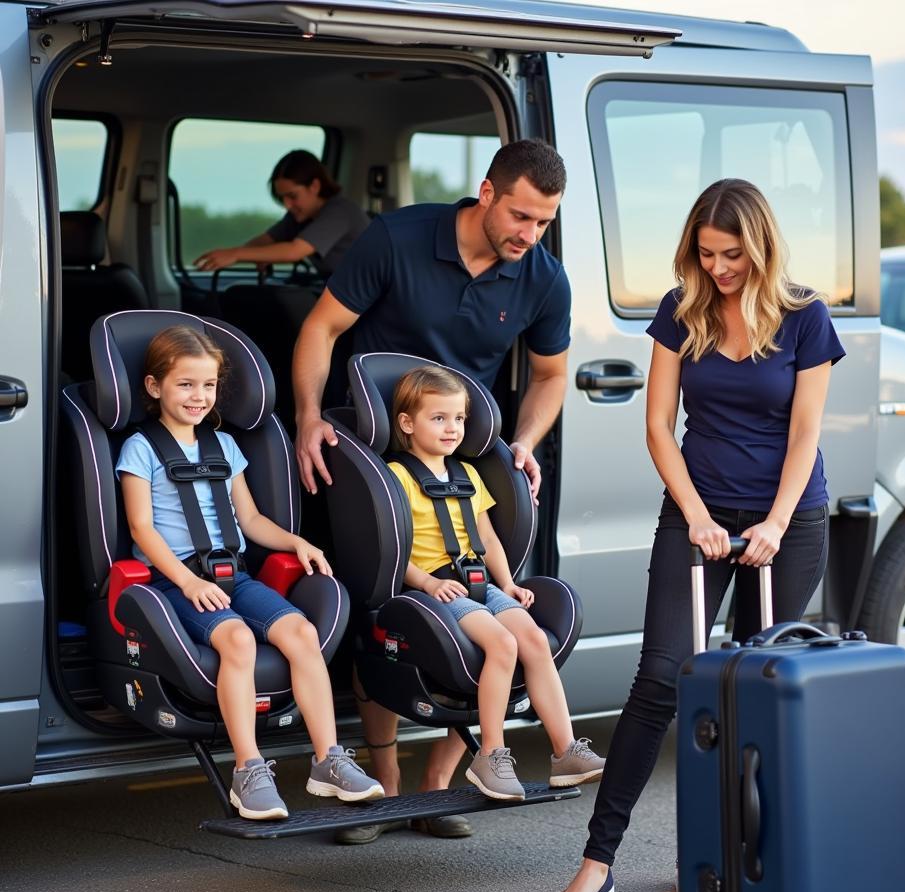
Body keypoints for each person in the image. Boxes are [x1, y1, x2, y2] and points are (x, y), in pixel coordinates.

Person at [543, 178, 845, 892]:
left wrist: (773, 524)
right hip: (697, 513)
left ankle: (720, 854)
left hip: (790, 521)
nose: (719, 268)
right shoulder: (682, 312)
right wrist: (699, 516)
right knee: (661, 676)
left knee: (751, 690)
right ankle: (596, 864)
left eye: (732, 254)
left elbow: (805, 433)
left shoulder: (806, 318)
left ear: (762, 246)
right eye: (707, 254)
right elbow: (657, 427)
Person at [291, 138, 573, 842]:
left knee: (495, 611)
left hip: (466, 462)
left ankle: (439, 782)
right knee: (383, 620)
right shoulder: (397, 238)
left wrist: (525, 444)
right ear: (486, 192)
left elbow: (549, 374)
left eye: (543, 222)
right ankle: (383, 784)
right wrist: (305, 420)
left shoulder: (541, 276)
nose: (528, 235)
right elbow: (322, 329)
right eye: (519, 216)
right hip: (371, 454)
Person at [117, 324, 386, 820]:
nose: (199, 396)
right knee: (237, 640)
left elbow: (252, 520)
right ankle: (249, 768)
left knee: (302, 632)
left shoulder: (224, 446)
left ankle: (327, 759)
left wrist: (298, 542)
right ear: (155, 388)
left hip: (235, 576)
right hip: (172, 582)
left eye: (208, 386)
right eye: (185, 384)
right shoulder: (140, 448)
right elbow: (141, 527)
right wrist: (188, 581)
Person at [388, 366, 605, 800]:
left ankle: (565, 752)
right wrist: (428, 584)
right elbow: (393, 554)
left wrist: (506, 584)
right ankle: (490, 754)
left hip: (480, 585)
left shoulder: (467, 475)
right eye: (439, 418)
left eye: (459, 419)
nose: (452, 429)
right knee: (502, 646)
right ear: (407, 423)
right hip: (435, 593)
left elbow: (486, 537)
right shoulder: (397, 476)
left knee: (535, 640)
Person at [194, 151, 369, 278]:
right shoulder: (299, 216)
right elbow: (266, 240)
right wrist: (236, 254)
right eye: (282, 198)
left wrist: (237, 254)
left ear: (314, 186)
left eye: (292, 196)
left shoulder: (340, 212)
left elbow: (294, 251)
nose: (287, 205)